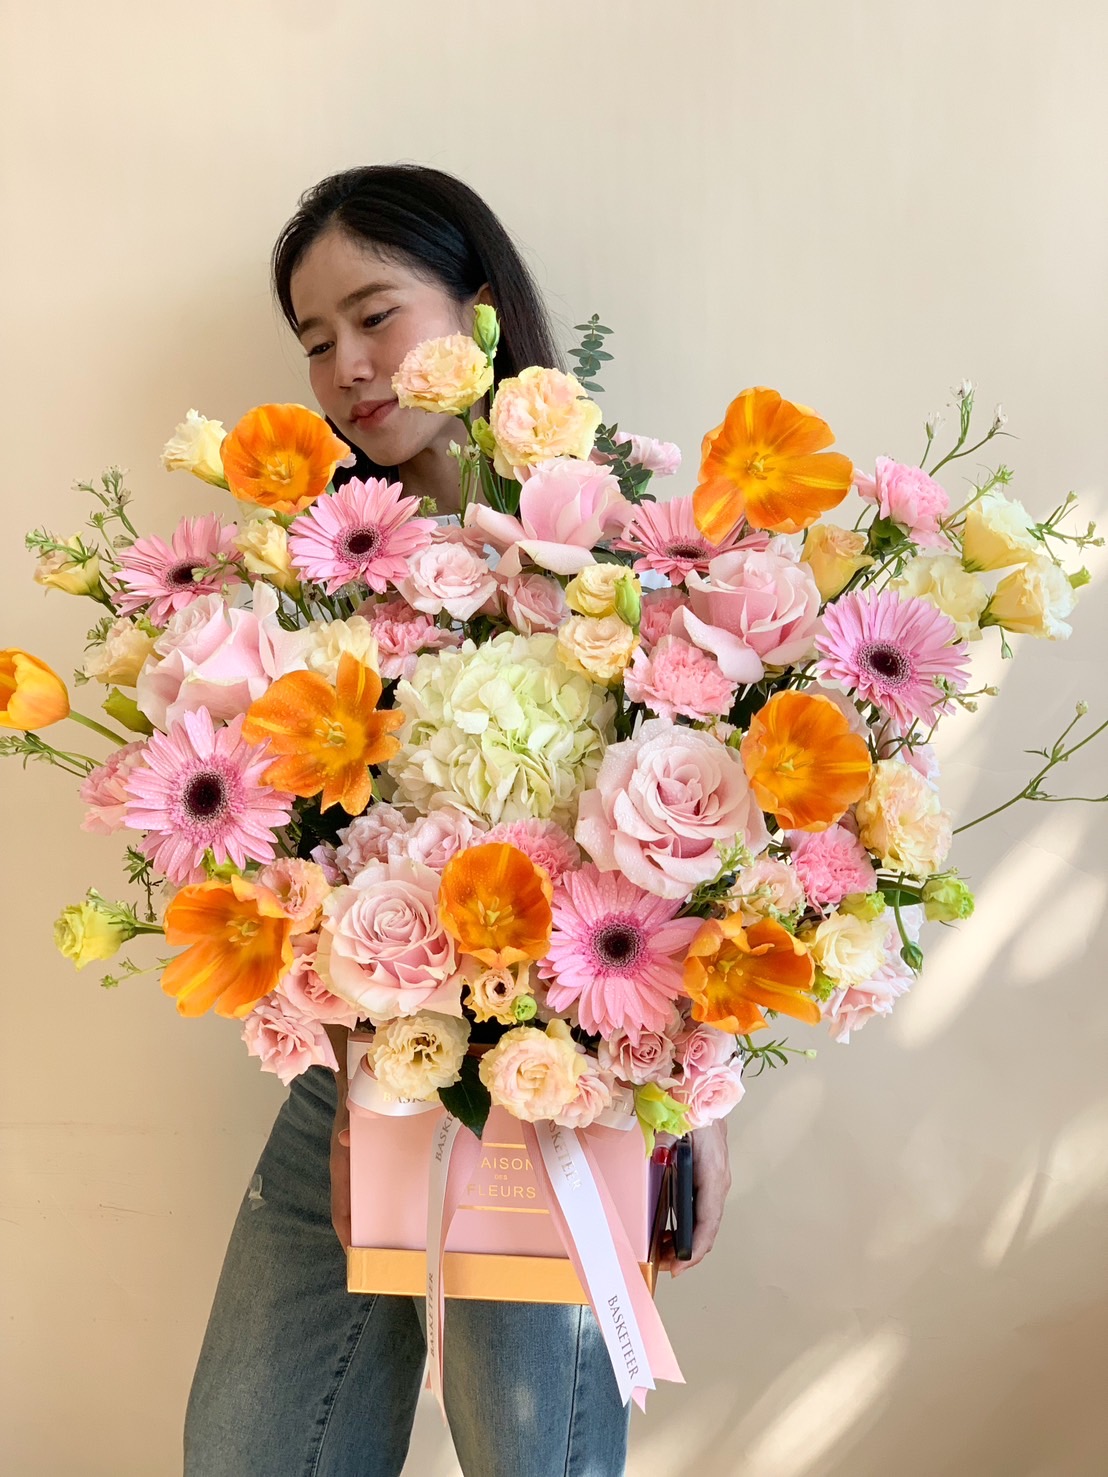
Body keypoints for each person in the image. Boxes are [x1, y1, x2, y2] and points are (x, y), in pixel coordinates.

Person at [183, 164, 732, 1477]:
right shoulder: (305, 581)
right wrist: (340, 1050)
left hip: (560, 1098)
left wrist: (688, 1100)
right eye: (315, 340)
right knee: (251, 1451)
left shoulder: (616, 550)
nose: (348, 366)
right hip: (350, 1078)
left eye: (374, 314)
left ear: (480, 310)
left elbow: (708, 841)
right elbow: (287, 856)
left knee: (533, 1464)